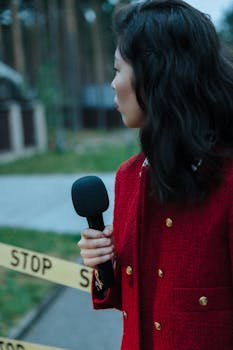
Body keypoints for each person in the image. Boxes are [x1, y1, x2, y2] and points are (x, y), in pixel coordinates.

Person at [78, 1, 233, 349]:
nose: (112, 84)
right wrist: (104, 261)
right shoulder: (129, 178)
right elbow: (127, 298)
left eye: (119, 70)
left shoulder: (229, 182)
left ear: (157, 74)